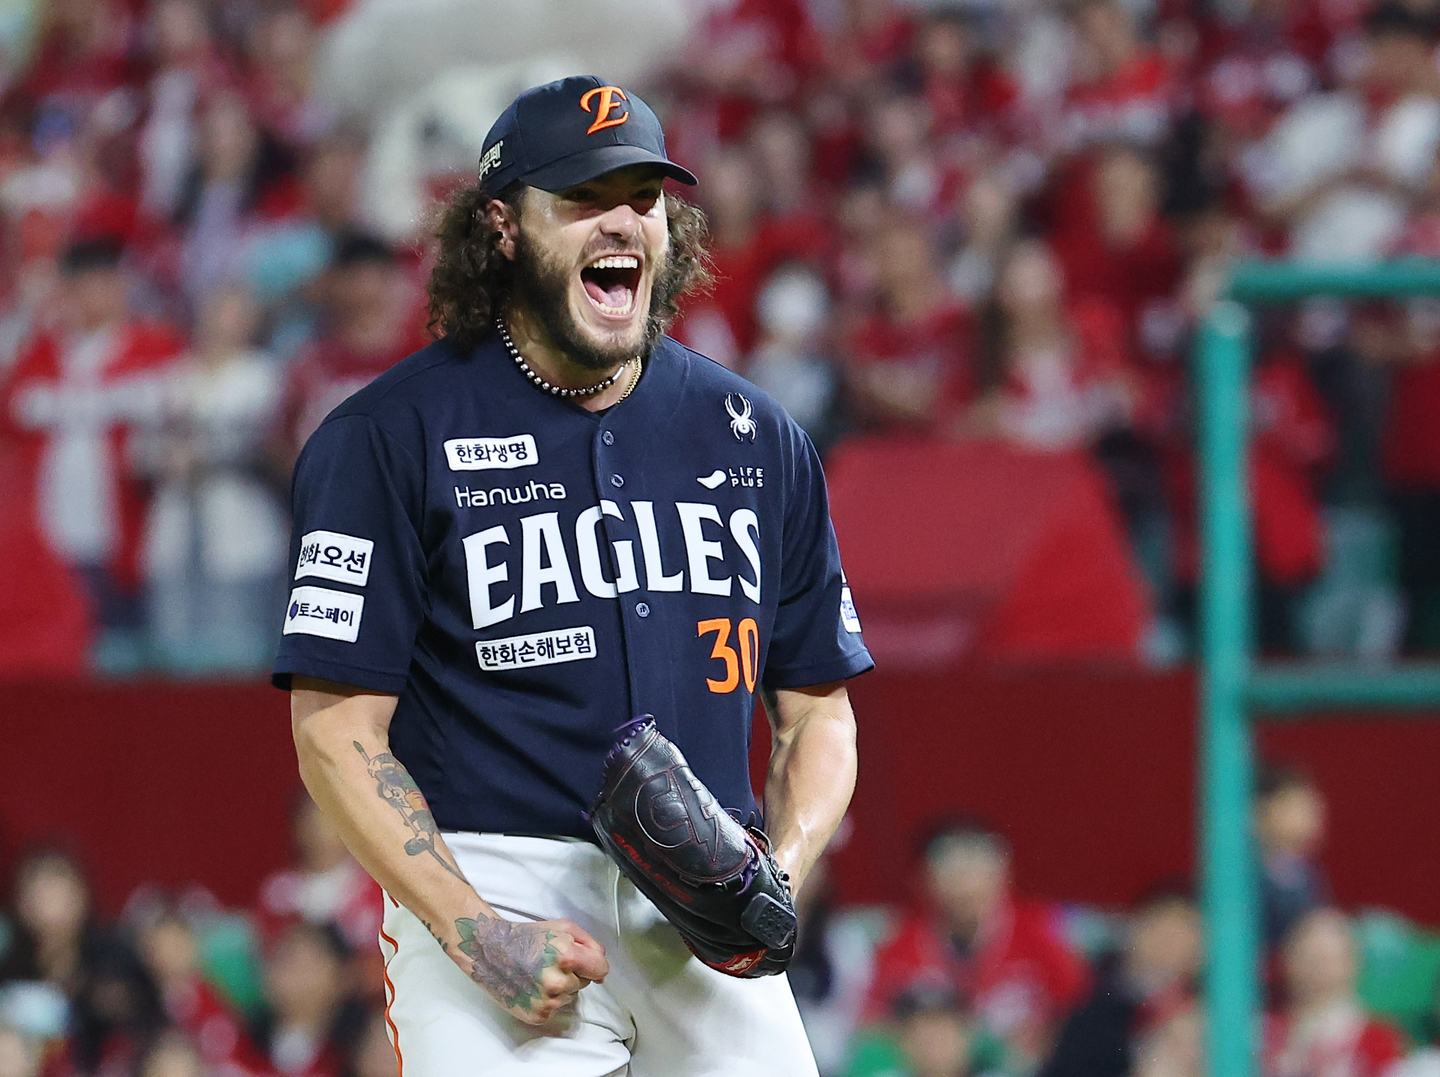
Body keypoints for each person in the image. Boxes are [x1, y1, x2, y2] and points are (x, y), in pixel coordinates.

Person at [274, 75, 872, 1077]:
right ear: (503, 229)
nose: (624, 221)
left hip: (702, 904)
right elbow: (334, 732)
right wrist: (474, 931)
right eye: (585, 200)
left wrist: (779, 876)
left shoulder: (758, 436)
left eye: (644, 198)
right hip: (494, 882)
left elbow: (821, 713)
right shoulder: (386, 437)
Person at [864, 821, 1087, 1072]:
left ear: (1004, 874)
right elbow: (874, 1026)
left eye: (978, 869)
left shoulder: (1039, 931)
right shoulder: (899, 943)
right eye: (952, 872)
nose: (967, 885)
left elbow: (1077, 1007)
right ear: (925, 880)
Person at [1039, 886, 1202, 1077]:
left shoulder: (1206, 1008)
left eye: (1186, 926)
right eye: (1160, 922)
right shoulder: (1090, 999)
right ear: (1135, 927)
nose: (1170, 937)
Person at [1262, 908, 1405, 1077]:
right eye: (1307, 956)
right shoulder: (1263, 1031)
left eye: (1326, 959)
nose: (1316, 968)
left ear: (1352, 964)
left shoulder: (1377, 1040)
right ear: (1288, 961)